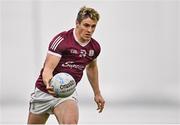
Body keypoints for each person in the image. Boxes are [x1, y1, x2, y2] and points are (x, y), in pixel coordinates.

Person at [27, 6, 105, 124]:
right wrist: (48, 83)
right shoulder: (62, 40)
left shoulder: (94, 47)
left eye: (93, 26)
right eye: (86, 25)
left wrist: (97, 93)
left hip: (66, 93)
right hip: (43, 92)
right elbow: (48, 68)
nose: (90, 30)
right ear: (77, 23)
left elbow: (91, 67)